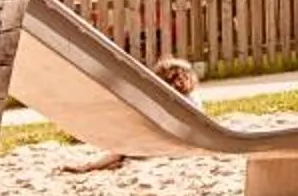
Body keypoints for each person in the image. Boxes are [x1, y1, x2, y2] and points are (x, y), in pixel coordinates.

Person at [69, 56, 202, 173]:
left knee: (124, 148)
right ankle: (102, 164)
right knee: (126, 146)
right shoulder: (190, 98)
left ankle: (92, 166)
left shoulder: (178, 101)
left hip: (165, 144)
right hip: (177, 144)